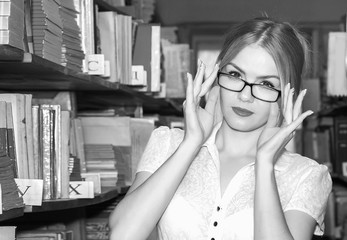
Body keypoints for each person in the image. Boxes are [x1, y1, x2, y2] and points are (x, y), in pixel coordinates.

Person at [109, 16, 332, 240]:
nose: (244, 96)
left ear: (288, 95)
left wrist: (265, 163)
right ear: (217, 75)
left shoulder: (307, 175)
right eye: (235, 75)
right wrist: (191, 143)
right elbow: (122, 235)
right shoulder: (168, 142)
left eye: (266, 84)